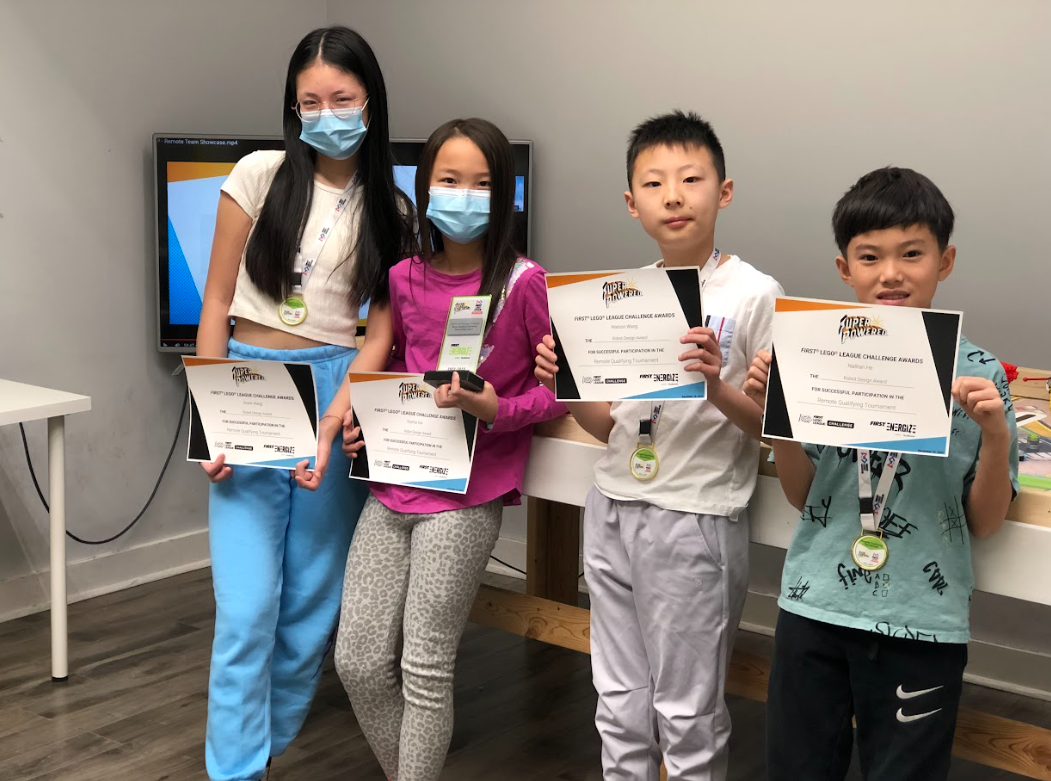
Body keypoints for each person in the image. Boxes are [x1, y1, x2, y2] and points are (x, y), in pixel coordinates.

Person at [295, 117, 565, 781]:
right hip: (392, 485)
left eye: (482, 183)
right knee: (356, 660)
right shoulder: (401, 276)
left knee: (424, 666)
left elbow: (557, 393)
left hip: (465, 498)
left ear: (505, 195)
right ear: (425, 187)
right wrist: (353, 423)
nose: (463, 196)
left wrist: (494, 409)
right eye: (449, 179)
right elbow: (384, 365)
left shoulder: (524, 283)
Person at [745, 167, 1019, 781]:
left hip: (922, 624)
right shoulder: (817, 357)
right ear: (844, 268)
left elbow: (985, 521)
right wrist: (777, 420)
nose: (890, 273)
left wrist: (997, 435)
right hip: (814, 607)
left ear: (945, 261)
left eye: (911, 254)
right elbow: (803, 496)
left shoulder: (978, 374)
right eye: (869, 257)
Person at [535, 110, 783, 781]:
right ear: (631, 203)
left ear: (723, 192)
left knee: (686, 710)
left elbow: (770, 430)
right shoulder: (623, 296)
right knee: (618, 701)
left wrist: (713, 384)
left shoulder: (754, 294)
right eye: (653, 183)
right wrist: (564, 384)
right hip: (612, 505)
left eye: (690, 179)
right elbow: (611, 427)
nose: (672, 196)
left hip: (694, 516)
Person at [195, 26, 413, 781]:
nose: (326, 114)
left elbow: (381, 331)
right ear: (292, 107)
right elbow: (216, 300)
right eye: (309, 102)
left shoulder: (392, 208)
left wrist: (338, 412)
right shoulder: (257, 174)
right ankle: (234, 769)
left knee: (311, 605)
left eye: (342, 99)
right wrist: (211, 417)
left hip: (335, 387)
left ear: (370, 102)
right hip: (250, 385)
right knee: (246, 607)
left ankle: (264, 749)